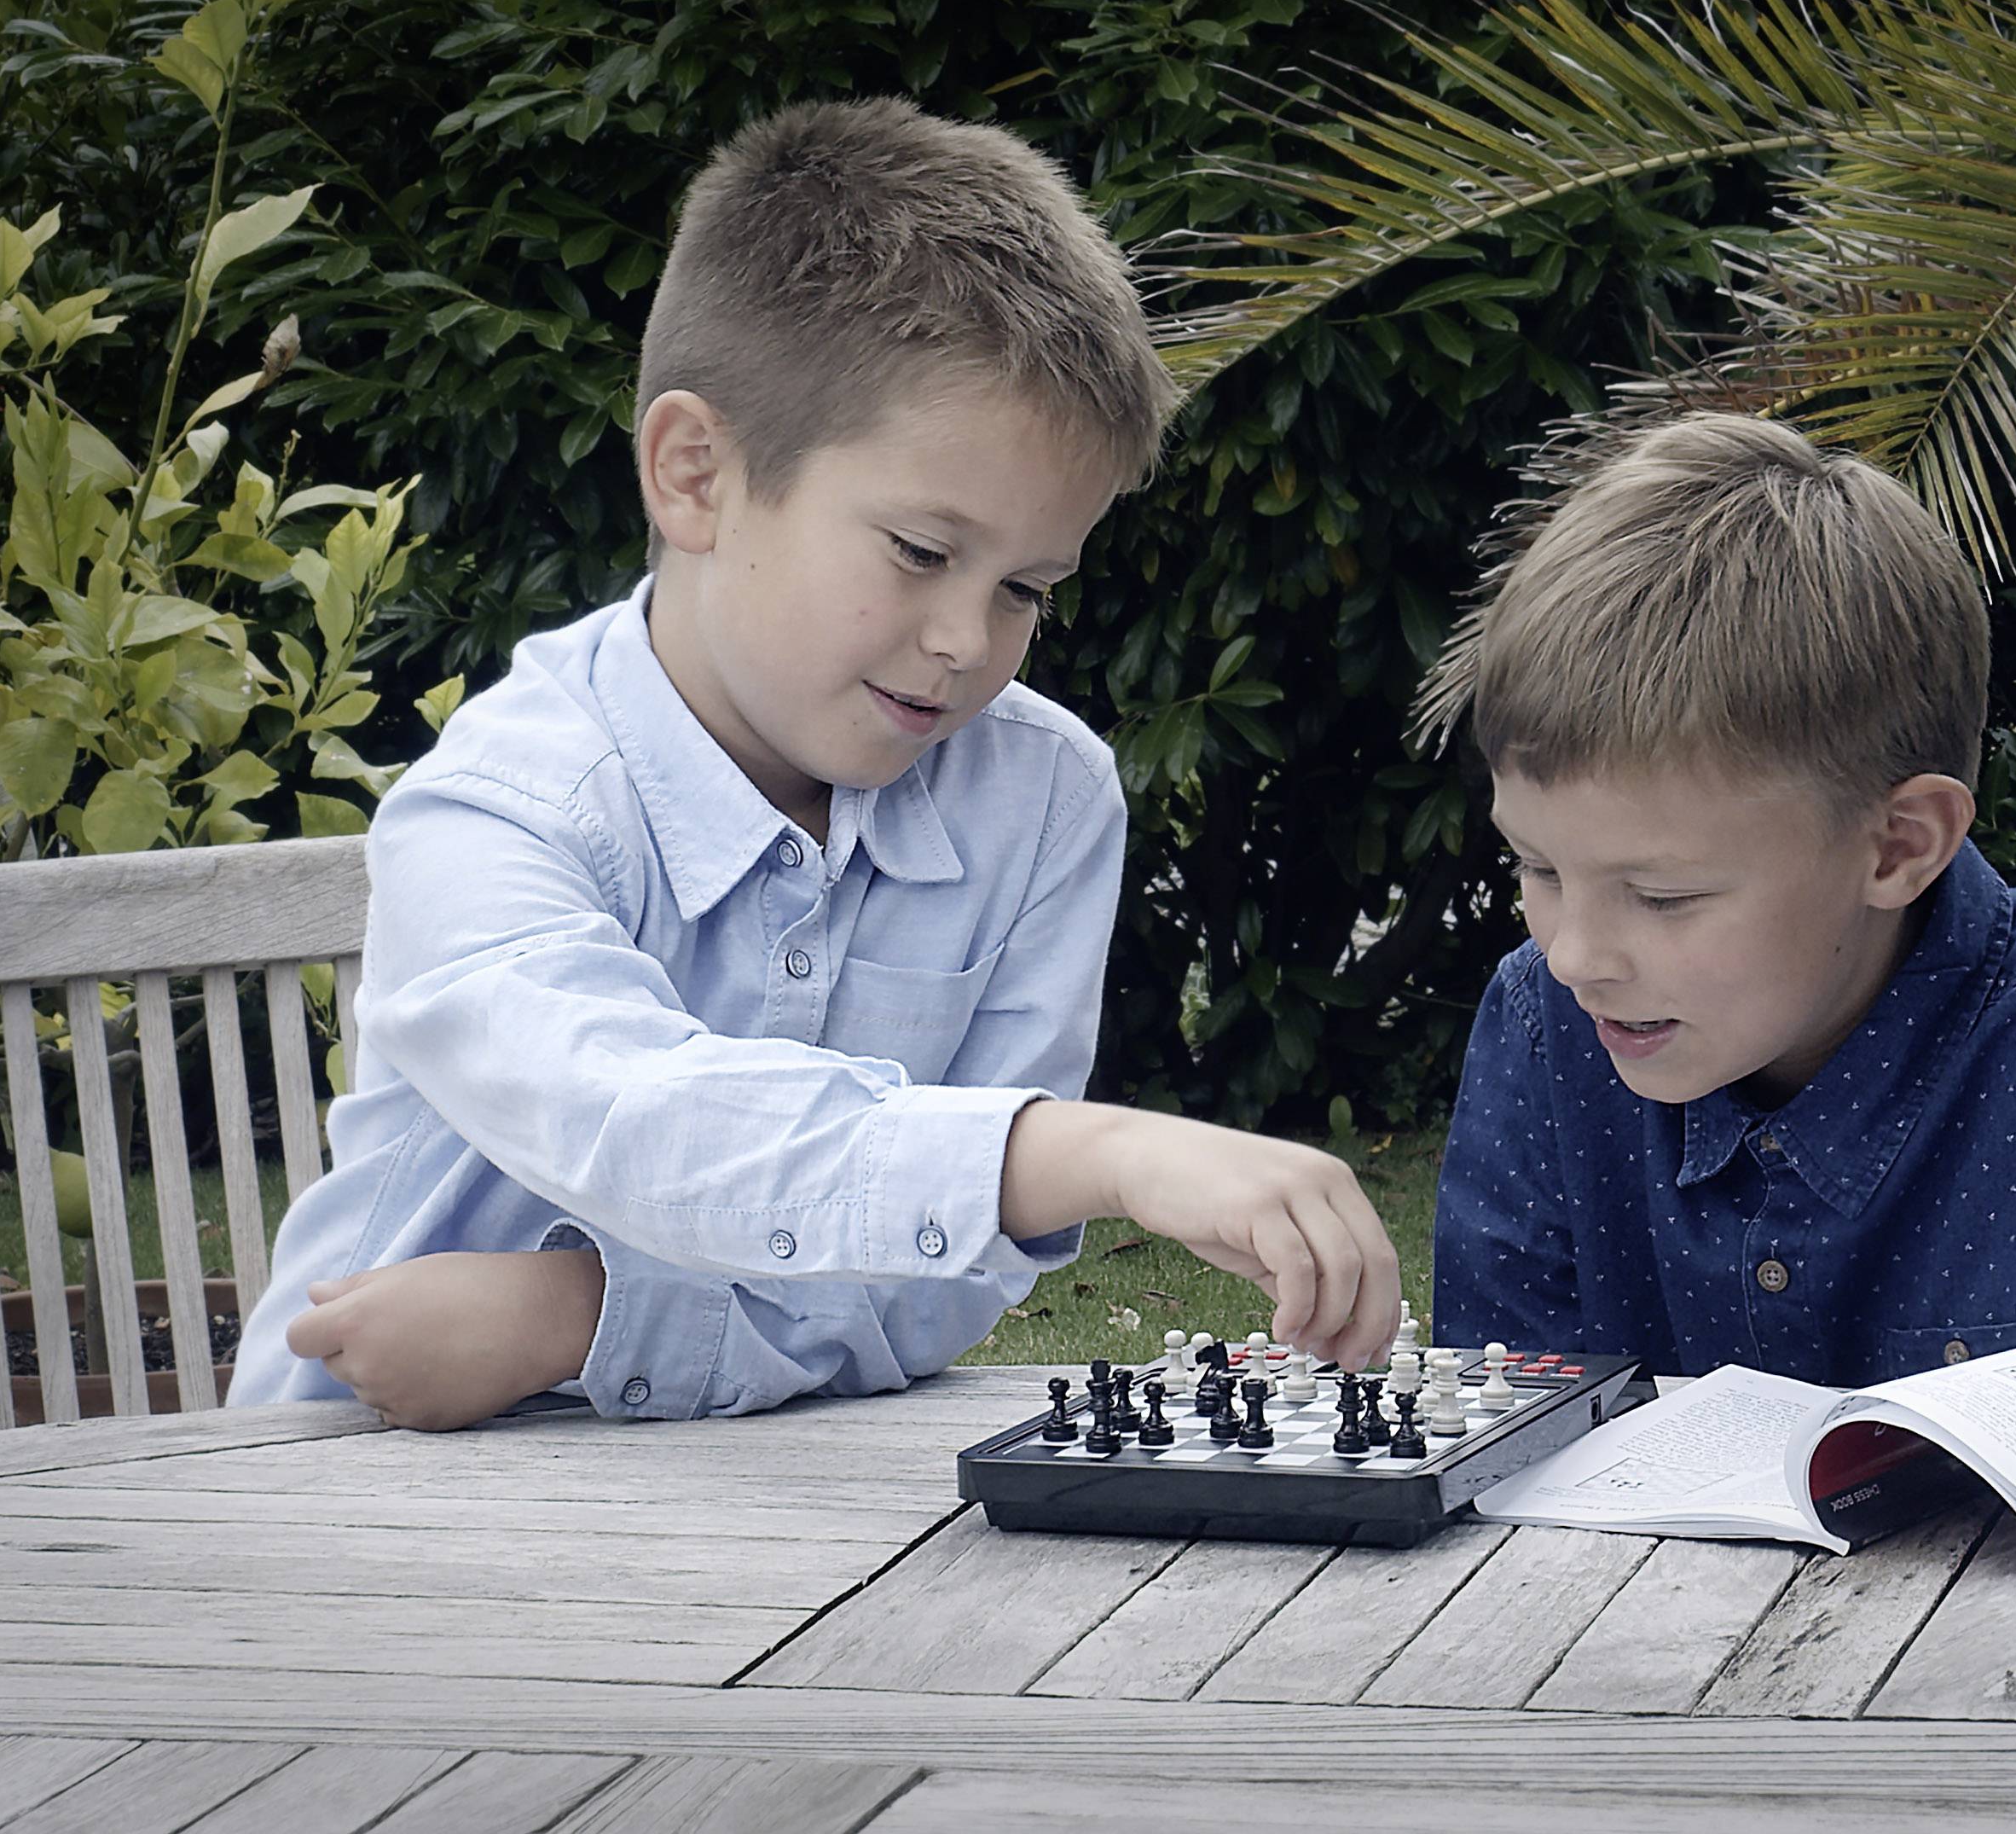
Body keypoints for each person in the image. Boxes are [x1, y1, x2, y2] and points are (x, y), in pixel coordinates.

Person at [231, 99, 1399, 1431]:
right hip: (354, 1498)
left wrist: (583, 1322)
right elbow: (639, 1121)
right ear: (696, 475)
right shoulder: (497, 813)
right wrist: (1087, 1152)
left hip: (788, 1510)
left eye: (1027, 586)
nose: (968, 642)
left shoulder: (1042, 801)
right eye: (918, 551)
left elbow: (940, 1290)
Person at [1422, 412, 2016, 1412]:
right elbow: (1497, 1445)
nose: (1575, 956)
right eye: (1537, 866)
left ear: (1898, 846)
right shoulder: (1546, 1023)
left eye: (1664, 896)